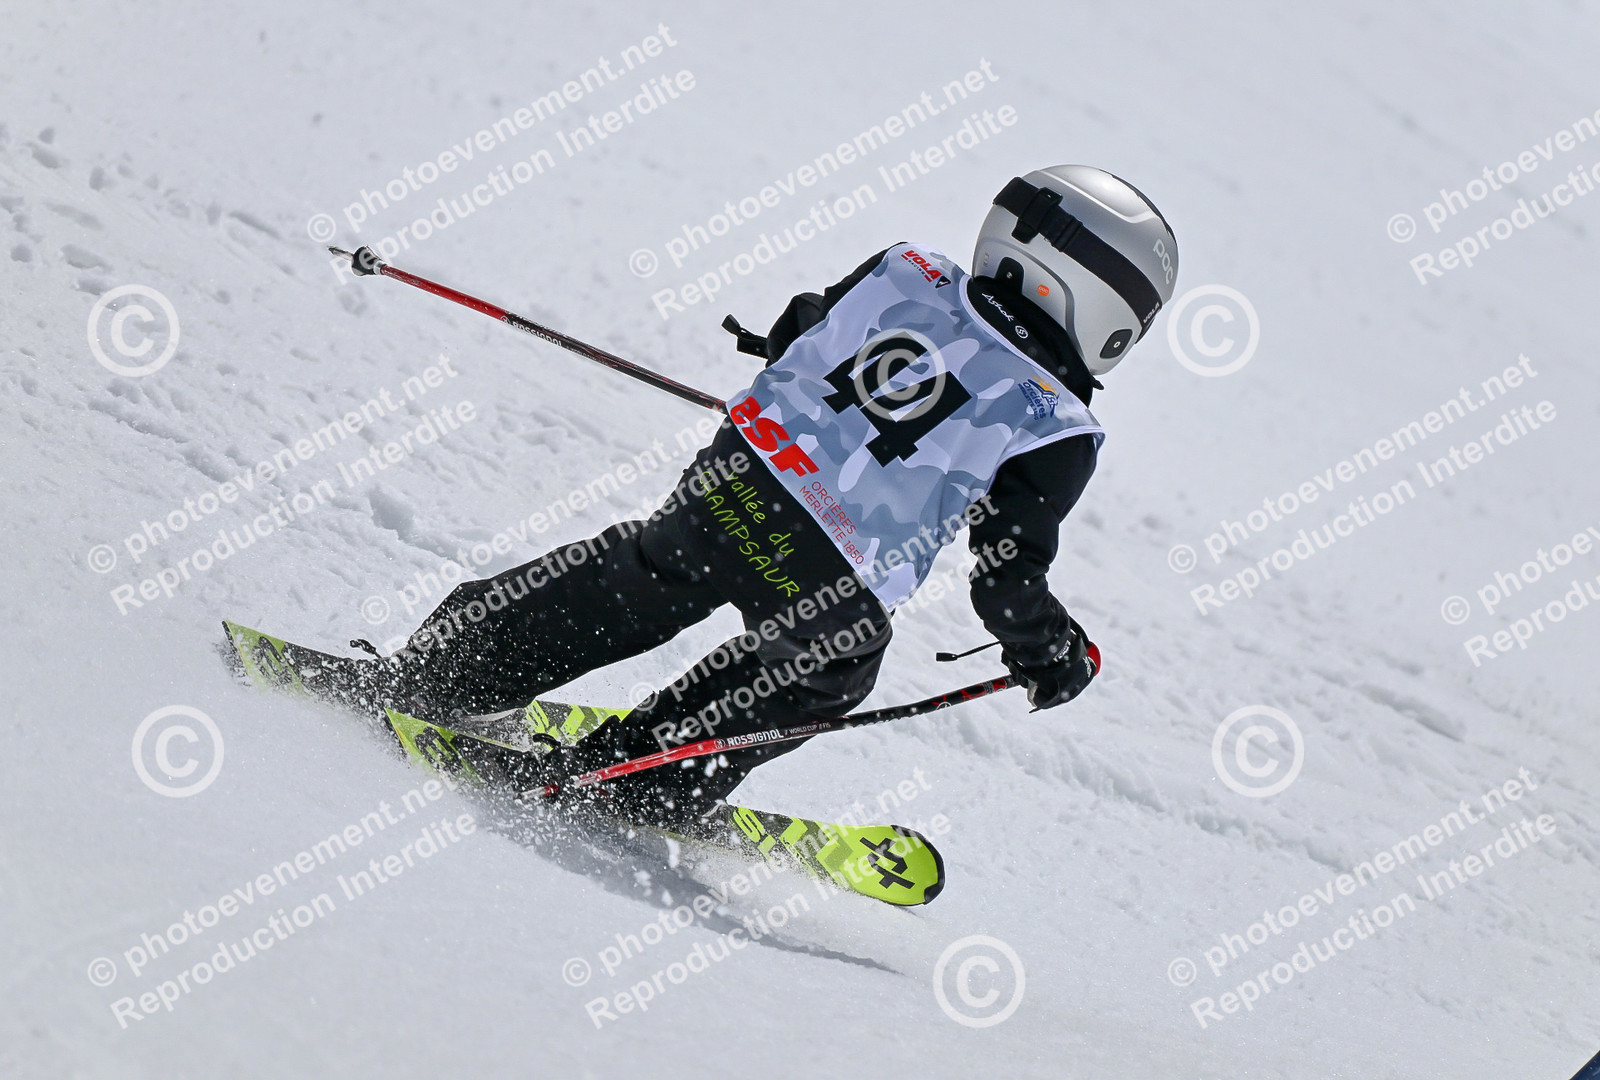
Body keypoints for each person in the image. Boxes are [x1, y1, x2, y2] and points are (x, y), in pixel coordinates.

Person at [323, 165, 1179, 826]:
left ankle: (450, 670)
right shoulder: (1057, 424)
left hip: (733, 483)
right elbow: (1005, 573)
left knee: (645, 576)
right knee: (823, 668)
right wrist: (1048, 653)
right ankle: (641, 777)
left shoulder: (908, 270)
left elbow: (806, 322)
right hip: (833, 581)